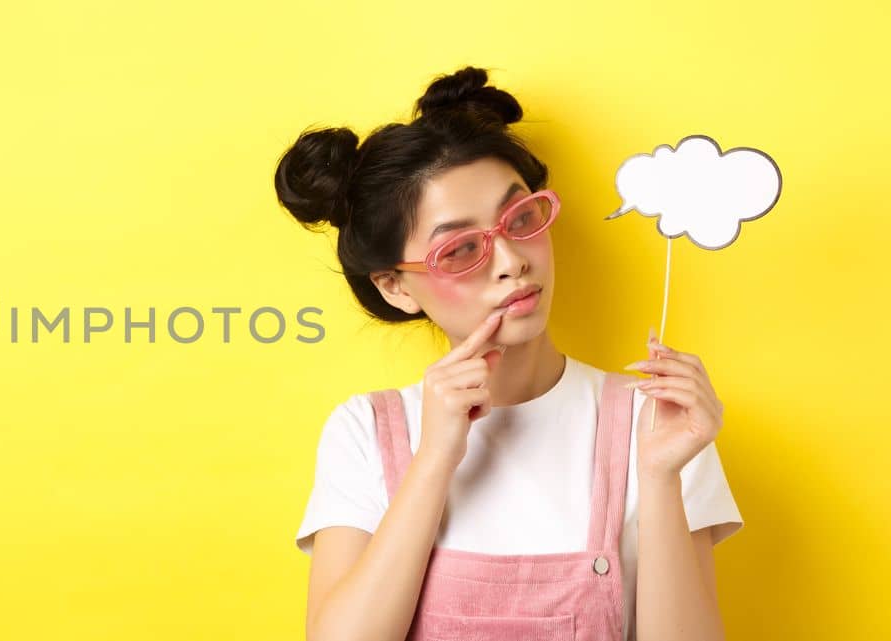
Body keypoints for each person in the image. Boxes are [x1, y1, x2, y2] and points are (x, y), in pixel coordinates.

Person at [273, 66, 743, 641]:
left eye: (520, 219)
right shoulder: (367, 431)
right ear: (395, 286)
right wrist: (434, 458)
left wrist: (662, 476)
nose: (512, 260)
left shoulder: (659, 421)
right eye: (461, 248)